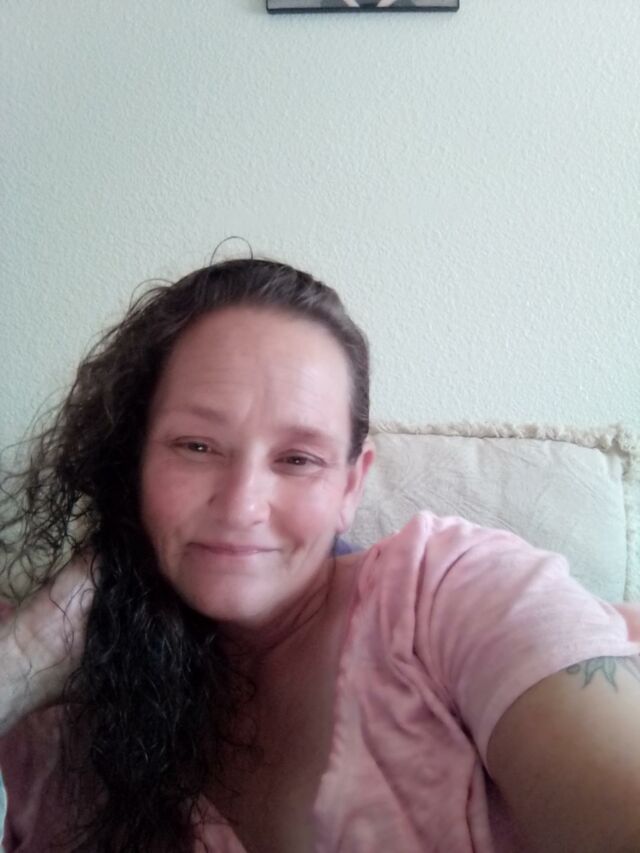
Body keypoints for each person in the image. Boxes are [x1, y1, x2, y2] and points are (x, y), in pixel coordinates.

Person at [1, 256, 639, 853]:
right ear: (133, 461)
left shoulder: (451, 590)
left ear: (350, 487)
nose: (241, 506)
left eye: (298, 459)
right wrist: (30, 651)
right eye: (196, 446)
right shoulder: (62, 707)